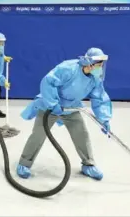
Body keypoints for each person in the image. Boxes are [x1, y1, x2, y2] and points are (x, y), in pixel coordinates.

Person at [16, 47, 112, 181]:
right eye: (99, 65)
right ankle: (24, 163)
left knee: (81, 135)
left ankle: (88, 165)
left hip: (72, 108)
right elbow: (48, 82)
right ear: (89, 63)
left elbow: (100, 98)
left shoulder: (95, 79)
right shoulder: (68, 68)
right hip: (51, 106)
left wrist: (104, 119)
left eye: (102, 65)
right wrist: (53, 104)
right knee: (38, 135)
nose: (100, 68)